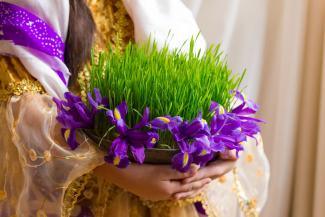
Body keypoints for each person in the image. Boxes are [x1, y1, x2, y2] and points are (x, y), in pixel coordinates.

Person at [0, 0, 270, 216]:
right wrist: (117, 170)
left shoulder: (158, 8)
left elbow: (208, 86)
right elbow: (24, 108)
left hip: (172, 201)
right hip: (89, 199)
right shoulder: (32, 7)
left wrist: (220, 150)